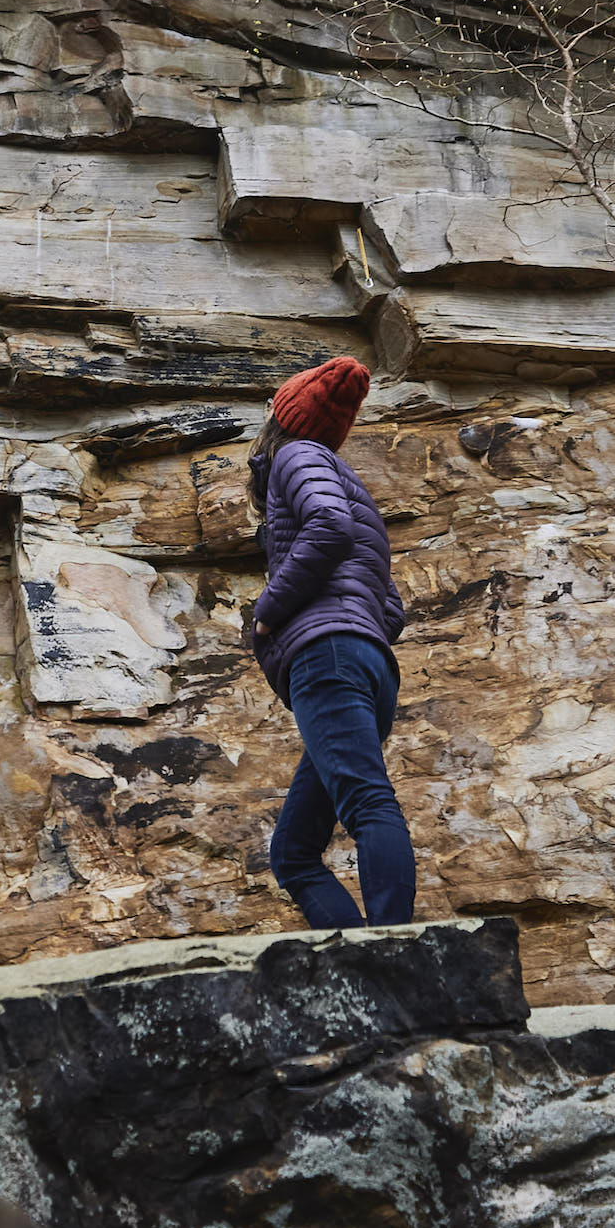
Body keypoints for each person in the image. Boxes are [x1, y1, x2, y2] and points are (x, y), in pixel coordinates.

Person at [243, 353, 416, 934]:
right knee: (292, 852)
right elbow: (390, 605)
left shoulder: (297, 456)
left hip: (331, 661)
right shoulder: (348, 482)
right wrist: (351, 634)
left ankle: (396, 953)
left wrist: (269, 615)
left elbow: (326, 527)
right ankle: (361, 956)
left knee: (367, 804)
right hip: (366, 666)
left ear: (284, 414)